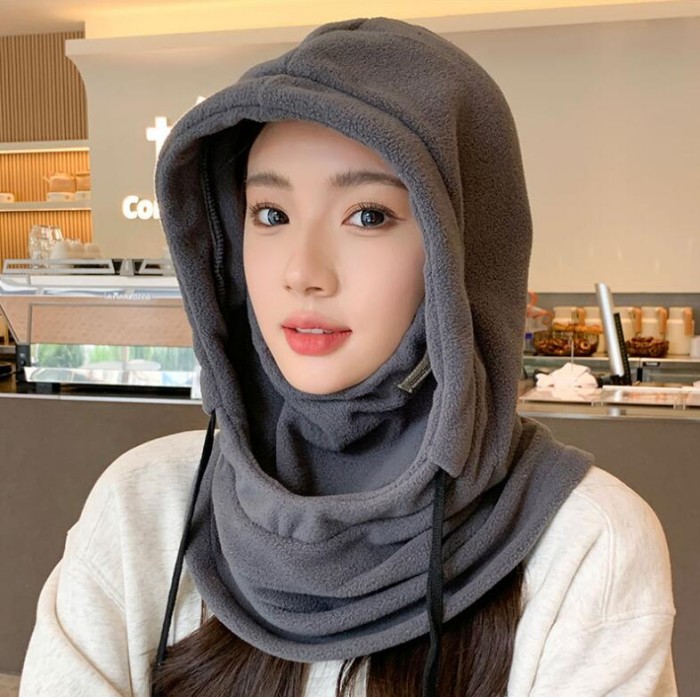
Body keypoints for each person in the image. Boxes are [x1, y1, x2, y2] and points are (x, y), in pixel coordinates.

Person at [20, 17, 676, 697]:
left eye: (368, 215)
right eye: (271, 214)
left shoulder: (585, 543)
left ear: (464, 252)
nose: (302, 273)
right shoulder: (146, 506)